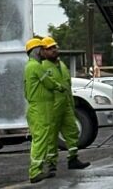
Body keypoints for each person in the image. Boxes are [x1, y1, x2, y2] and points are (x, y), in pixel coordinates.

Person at [40, 37, 89, 171]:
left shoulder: (61, 65)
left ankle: (73, 159)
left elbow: (67, 85)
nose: (54, 50)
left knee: (72, 131)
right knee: (51, 136)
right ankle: (51, 164)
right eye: (50, 48)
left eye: (55, 47)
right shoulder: (42, 67)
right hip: (52, 107)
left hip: (66, 104)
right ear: (43, 51)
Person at [24, 36, 61, 183]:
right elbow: (49, 83)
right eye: (41, 49)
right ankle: (35, 171)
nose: (43, 51)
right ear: (36, 51)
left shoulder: (31, 66)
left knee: (40, 138)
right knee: (40, 139)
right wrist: (59, 87)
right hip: (40, 108)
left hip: (38, 107)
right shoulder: (35, 67)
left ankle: (37, 169)